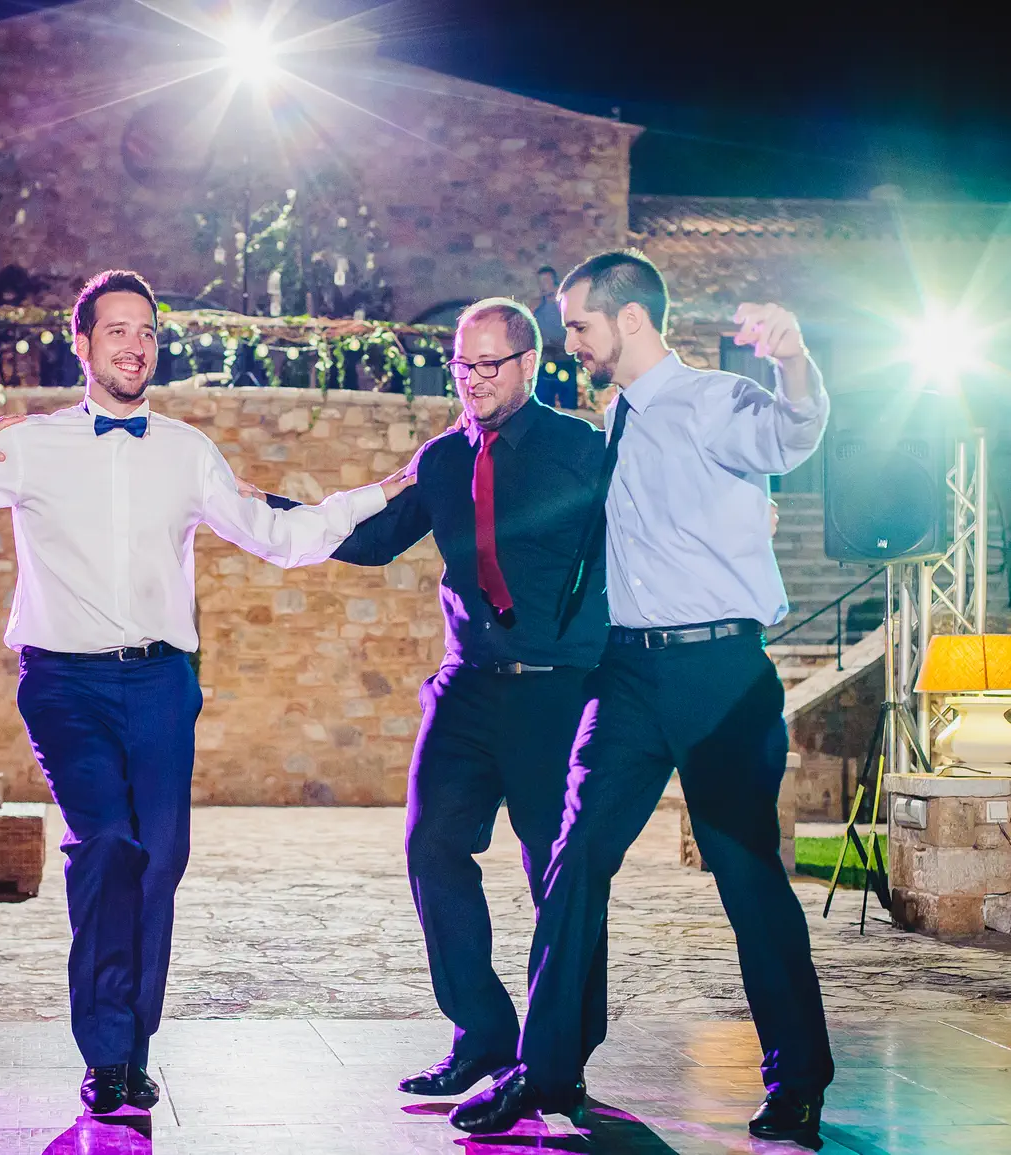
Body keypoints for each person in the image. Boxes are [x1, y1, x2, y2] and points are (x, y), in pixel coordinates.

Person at [0, 270, 409, 1116]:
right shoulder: (30, 444)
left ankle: (133, 1049)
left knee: (159, 861)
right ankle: (106, 1056)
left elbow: (280, 536)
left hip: (162, 684)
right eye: (118, 330)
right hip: (65, 685)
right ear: (83, 344)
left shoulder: (187, 451)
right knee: (106, 846)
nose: (136, 345)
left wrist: (380, 493)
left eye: (147, 331)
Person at [451, 250, 835, 1145]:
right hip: (626, 677)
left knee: (746, 875)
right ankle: (543, 1069)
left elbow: (794, 432)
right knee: (575, 857)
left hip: (718, 672)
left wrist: (793, 360)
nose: (571, 343)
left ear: (629, 319)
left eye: (579, 325)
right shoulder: (614, 419)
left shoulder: (711, 400)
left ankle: (798, 1080)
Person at [307, 298, 611, 1113]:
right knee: (432, 845)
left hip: (559, 688)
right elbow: (375, 539)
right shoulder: (443, 458)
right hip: (467, 685)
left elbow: (639, 538)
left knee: (560, 872)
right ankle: (482, 1033)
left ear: (529, 364)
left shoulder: (583, 449)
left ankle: (560, 1055)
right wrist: (264, 514)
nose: (470, 379)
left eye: (487, 365)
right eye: (460, 365)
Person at [528, 266, 576, 409]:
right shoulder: (537, 308)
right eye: (540, 282)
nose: (543, 286)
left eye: (546, 281)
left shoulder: (564, 306)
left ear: (554, 282)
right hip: (545, 362)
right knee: (543, 403)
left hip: (565, 361)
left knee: (568, 403)